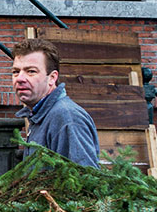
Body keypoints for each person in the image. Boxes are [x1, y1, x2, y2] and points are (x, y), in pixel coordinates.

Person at [12, 38, 101, 168]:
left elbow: (84, 183)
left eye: (31, 71)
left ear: (52, 78)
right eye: (16, 72)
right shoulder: (39, 114)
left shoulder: (67, 117)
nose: (20, 78)